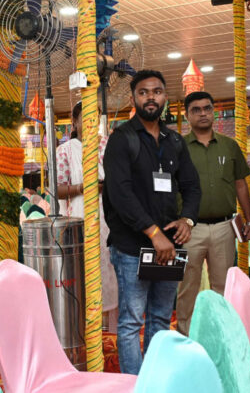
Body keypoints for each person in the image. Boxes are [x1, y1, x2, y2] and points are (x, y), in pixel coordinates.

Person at [103, 69, 201, 375]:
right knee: (132, 321)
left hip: (168, 247)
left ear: (165, 98)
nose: (150, 97)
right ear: (134, 97)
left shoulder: (174, 141)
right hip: (133, 247)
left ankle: (156, 379)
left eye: (157, 91)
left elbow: (193, 187)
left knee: (160, 318)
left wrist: (188, 219)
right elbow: (120, 194)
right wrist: (153, 232)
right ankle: (135, 383)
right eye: (143, 92)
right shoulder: (122, 140)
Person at [175, 91, 250, 336]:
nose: (202, 113)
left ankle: (223, 337)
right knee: (187, 287)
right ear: (187, 115)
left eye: (207, 108)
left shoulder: (230, 146)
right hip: (189, 229)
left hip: (224, 228)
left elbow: (240, 183)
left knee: (223, 286)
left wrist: (249, 219)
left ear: (213, 112)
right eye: (196, 110)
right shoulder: (177, 148)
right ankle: (185, 338)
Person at [56, 101, 118, 330]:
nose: (91, 122)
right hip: (78, 220)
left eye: (95, 117)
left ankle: (110, 334)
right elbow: (57, 189)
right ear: (74, 122)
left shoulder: (108, 145)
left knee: (109, 272)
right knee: (82, 275)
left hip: (108, 219)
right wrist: (84, 187)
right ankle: (82, 331)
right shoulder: (64, 151)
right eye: (86, 117)